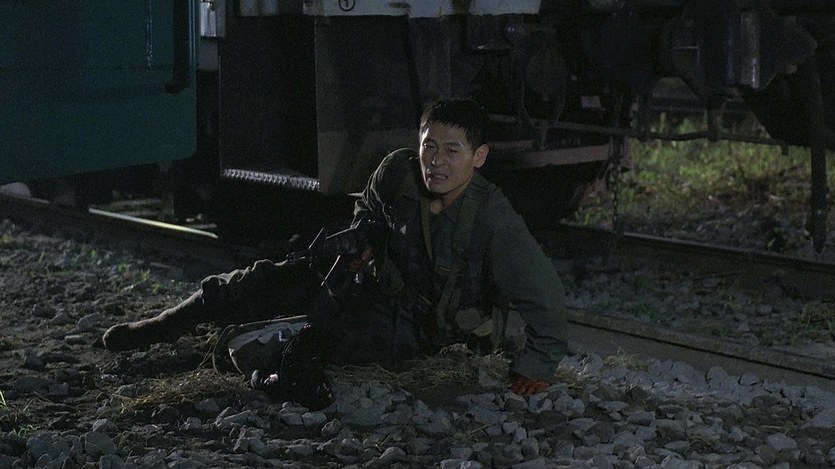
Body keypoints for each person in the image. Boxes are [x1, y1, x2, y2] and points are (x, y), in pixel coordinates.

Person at [102, 97, 568, 397]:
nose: (436, 161)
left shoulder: (493, 220)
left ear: (478, 157)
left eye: (452, 150)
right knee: (263, 280)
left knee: (277, 346)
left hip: (425, 331)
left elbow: (545, 298)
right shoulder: (399, 172)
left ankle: (245, 347)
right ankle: (162, 326)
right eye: (430, 146)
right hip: (372, 286)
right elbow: (369, 208)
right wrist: (361, 240)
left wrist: (536, 367)